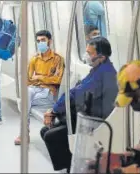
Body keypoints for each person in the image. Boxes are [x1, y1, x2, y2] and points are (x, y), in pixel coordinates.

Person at [40, 36, 118, 173]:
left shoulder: (105, 74)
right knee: (45, 131)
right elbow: (76, 90)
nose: (86, 56)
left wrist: (53, 111)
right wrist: (55, 110)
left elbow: (76, 94)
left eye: (90, 53)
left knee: (50, 136)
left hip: (96, 121)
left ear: (102, 56)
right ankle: (71, 165)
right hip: (87, 114)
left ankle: (73, 167)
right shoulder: (97, 70)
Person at [14, 30, 65, 145]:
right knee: (27, 93)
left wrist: (39, 77)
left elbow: (57, 79)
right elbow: (28, 79)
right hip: (34, 90)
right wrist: (45, 78)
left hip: (48, 92)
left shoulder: (57, 59)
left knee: (25, 102)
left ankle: (24, 134)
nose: (40, 43)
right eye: (38, 41)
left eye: (43, 40)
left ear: (49, 41)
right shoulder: (34, 59)